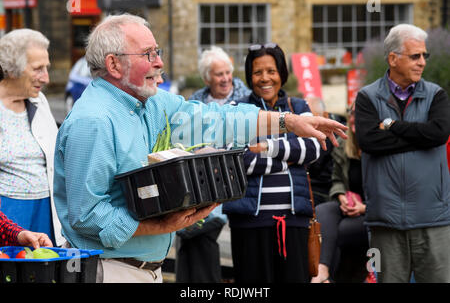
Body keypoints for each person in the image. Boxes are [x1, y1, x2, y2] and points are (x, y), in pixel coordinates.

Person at [53, 14, 347, 283]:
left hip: (140, 269)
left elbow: (214, 119)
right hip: (110, 270)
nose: (159, 63)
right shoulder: (93, 121)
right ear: (114, 64)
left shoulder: (151, 103)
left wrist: (287, 121)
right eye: (148, 54)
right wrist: (161, 224)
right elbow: (88, 216)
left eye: (158, 52)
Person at [355, 23, 450, 283]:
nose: (422, 62)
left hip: (434, 218)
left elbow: (439, 134)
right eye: (415, 56)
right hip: (385, 221)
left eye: (424, 56)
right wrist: (422, 136)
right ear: (393, 59)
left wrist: (393, 126)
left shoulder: (436, 95)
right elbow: (370, 141)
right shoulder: (366, 97)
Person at [222, 43, 323, 283]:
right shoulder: (237, 110)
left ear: (282, 74)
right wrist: (286, 161)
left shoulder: (298, 107)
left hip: (295, 221)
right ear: (249, 76)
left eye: (271, 71)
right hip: (249, 224)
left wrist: (269, 147)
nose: (265, 78)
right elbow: (234, 159)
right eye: (257, 72)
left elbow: (313, 148)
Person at [175, 48, 243, 282]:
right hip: (199, 182)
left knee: (198, 233)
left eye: (227, 73)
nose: (225, 79)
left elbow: (251, 143)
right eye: (218, 74)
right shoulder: (195, 102)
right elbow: (181, 140)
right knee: (190, 236)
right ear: (206, 78)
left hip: (231, 183)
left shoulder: (246, 100)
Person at [0, 29, 64, 247]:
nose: (46, 77)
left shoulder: (39, 102)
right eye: (38, 69)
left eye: (46, 67)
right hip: (7, 214)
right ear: (12, 69)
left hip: (45, 212)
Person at [311, 103, 369, 283]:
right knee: (322, 211)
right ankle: (322, 272)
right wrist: (341, 195)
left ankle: (329, 277)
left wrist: (364, 207)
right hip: (348, 206)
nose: (353, 118)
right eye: (352, 113)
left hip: (374, 211)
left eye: (360, 113)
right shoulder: (344, 144)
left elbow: (391, 192)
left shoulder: (381, 148)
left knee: (340, 231)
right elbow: (336, 179)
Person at [305, 96, 334, 206]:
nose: (308, 126)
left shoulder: (334, 140)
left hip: (322, 194)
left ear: (325, 116)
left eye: (313, 120)